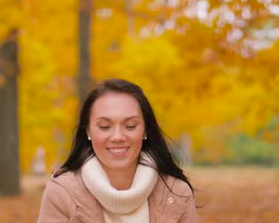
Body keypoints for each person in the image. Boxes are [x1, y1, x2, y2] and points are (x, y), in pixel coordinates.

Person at [37, 78, 197, 222]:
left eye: (130, 126)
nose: (117, 136)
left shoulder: (176, 192)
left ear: (145, 130)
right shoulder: (61, 193)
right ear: (88, 131)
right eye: (105, 127)